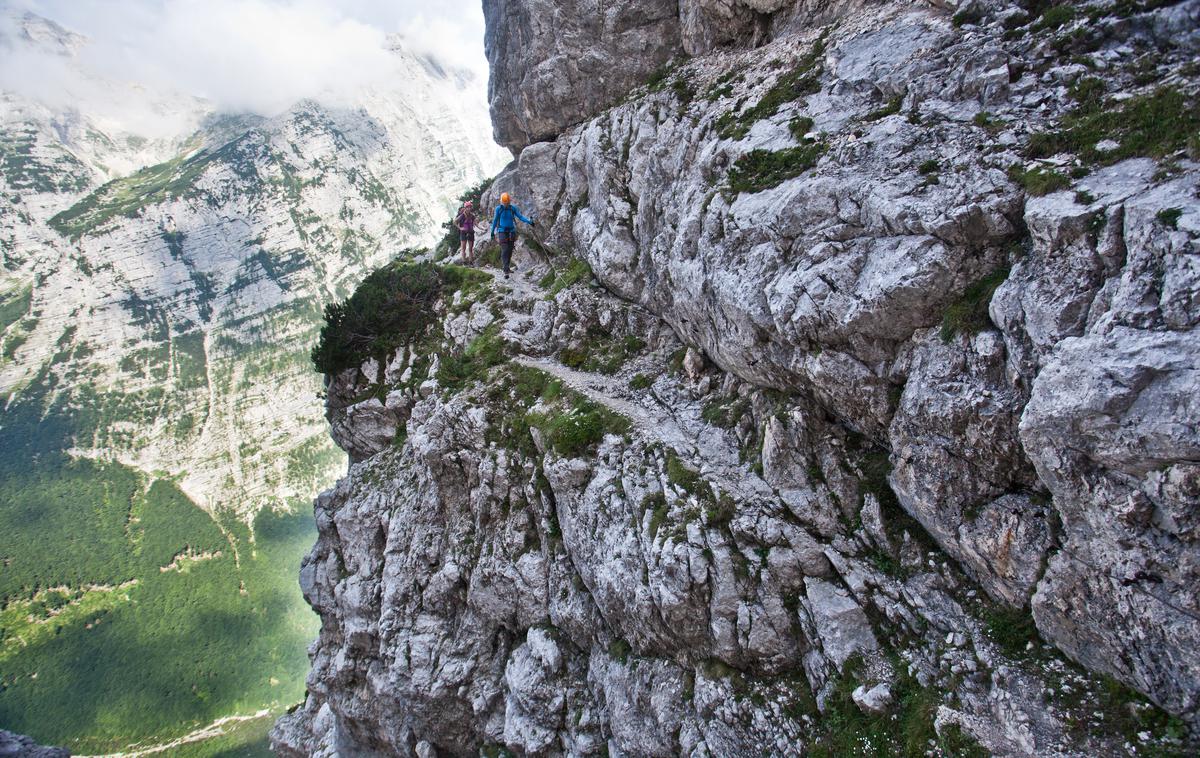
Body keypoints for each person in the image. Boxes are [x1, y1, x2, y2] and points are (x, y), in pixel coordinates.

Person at [489, 192, 535, 278]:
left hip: (511, 231)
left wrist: (529, 221)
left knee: (510, 250)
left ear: (509, 201)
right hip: (502, 231)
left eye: (507, 202)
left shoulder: (512, 208)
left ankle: (507, 267)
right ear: (502, 202)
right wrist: (492, 232)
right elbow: (495, 220)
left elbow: (520, 217)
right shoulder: (498, 209)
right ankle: (505, 269)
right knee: (505, 249)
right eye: (504, 202)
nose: (506, 204)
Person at [454, 200, 481, 265]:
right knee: (463, 248)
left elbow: (476, 224)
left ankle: (471, 262)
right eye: (467, 207)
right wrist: (460, 228)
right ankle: (464, 262)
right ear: (465, 208)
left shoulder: (472, 215)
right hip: (463, 233)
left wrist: (482, 228)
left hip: (471, 232)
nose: (469, 208)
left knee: (471, 248)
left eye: (470, 207)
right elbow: (455, 222)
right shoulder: (462, 216)